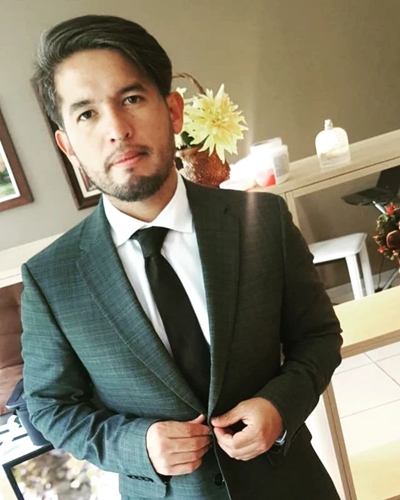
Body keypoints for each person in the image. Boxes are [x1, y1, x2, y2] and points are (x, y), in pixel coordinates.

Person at [22, 14, 343, 500]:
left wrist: (281, 405)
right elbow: (51, 407)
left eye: (131, 99)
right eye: (86, 114)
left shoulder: (263, 221)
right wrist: (136, 446)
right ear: (67, 145)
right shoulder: (52, 279)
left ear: (173, 111)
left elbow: (318, 336)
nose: (117, 129)